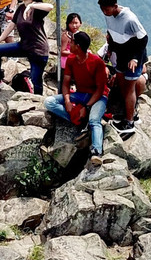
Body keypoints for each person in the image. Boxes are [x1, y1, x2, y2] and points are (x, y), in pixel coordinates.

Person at [44, 31, 109, 164]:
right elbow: (66, 83)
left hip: (99, 97)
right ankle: (79, 119)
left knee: (94, 120)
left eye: (72, 42)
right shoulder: (72, 60)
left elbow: (100, 89)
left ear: (78, 46)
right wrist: (67, 101)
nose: (70, 44)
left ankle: (96, 151)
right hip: (80, 94)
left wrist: (86, 107)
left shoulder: (97, 62)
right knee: (49, 102)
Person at [0, 0, 53, 92]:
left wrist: (31, 6)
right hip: (24, 46)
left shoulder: (37, 10)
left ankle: (37, 102)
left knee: (36, 80)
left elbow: (50, 7)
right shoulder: (20, 8)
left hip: (38, 50)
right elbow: (11, 26)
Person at [98, 0, 148, 136]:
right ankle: (123, 114)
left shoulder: (130, 19)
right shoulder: (109, 15)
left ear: (115, 6)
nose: (104, 12)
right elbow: (111, 34)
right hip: (120, 53)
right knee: (120, 83)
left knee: (129, 88)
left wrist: (135, 59)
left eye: (106, 9)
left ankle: (130, 122)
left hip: (132, 57)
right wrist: (111, 50)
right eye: (102, 9)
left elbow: (143, 39)